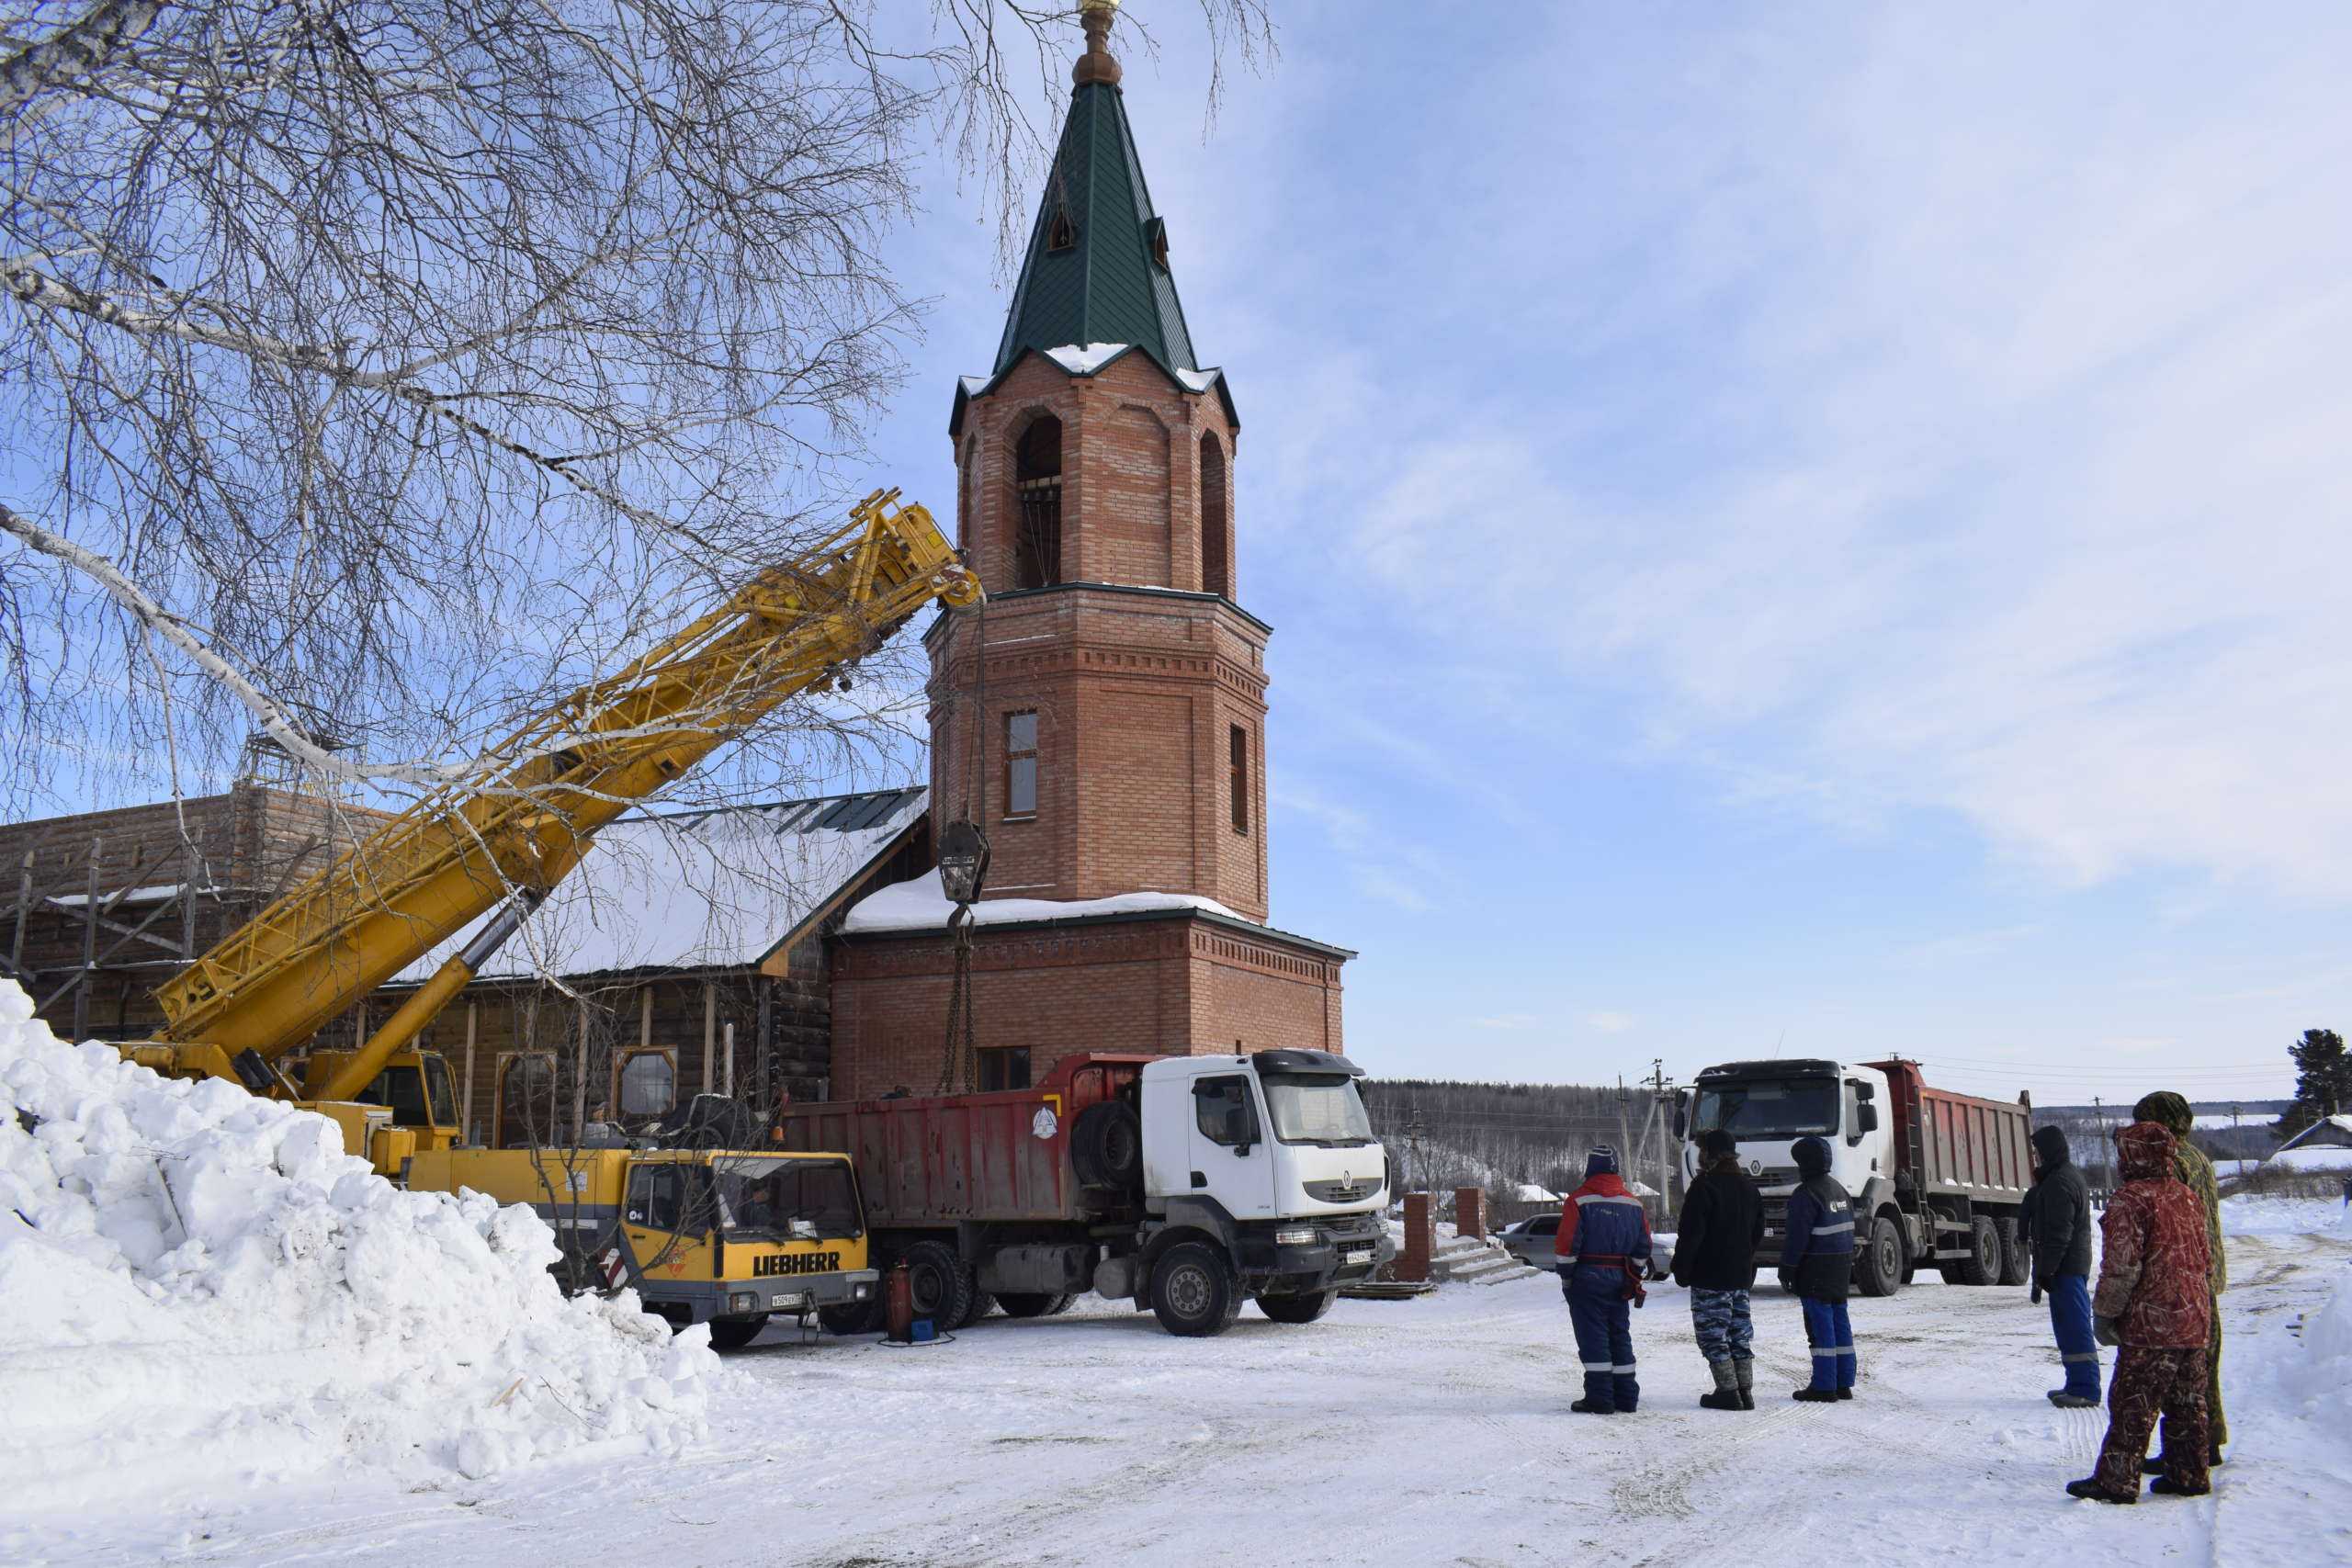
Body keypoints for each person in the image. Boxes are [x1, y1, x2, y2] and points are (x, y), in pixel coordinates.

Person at [2067, 1121, 2213, 1504]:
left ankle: (2116, 1481)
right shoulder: (2186, 1196)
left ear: (2133, 1154)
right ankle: (2189, 1473)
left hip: (2154, 1324)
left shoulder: (2130, 1199)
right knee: (2187, 1402)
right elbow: (2204, 1258)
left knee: (2133, 1402)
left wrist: (2105, 1313)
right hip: (2194, 1319)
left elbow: (2121, 1266)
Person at [2132, 1090, 2227, 1469]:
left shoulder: (2172, 1161)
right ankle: (2209, 1442)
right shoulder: (2199, 1157)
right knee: (2205, 1363)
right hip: (2205, 1275)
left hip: (2183, 1279)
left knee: (2183, 1374)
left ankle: (2190, 1450)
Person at [1672, 1127, 1764, 1411]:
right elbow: (1757, 1233)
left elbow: (1691, 1235)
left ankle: (1727, 1392)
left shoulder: (1704, 1186)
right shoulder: (1750, 1188)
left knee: (1713, 1334)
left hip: (1710, 1275)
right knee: (1739, 1334)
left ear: (1708, 1155)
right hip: (1739, 1276)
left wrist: (1682, 1269)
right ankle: (1744, 1391)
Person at [1558, 1145, 1652, 1415]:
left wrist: (1567, 1279)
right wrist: (1632, 1276)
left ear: (1590, 1168)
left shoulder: (1578, 1200)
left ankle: (1600, 1398)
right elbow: (1643, 1246)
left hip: (1587, 1278)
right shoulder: (1634, 1203)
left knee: (1593, 1336)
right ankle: (1626, 1397)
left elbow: (1567, 1246)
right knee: (1619, 1334)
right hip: (1620, 1280)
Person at [2022, 1123, 2099, 1407]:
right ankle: (2077, 1383)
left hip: (2066, 1267)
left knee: (2075, 1326)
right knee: (2068, 1326)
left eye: (2038, 1150)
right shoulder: (2061, 1177)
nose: (2035, 1156)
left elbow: (2059, 1233)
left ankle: (2085, 1388)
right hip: (2068, 1266)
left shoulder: (2060, 1182)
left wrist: (2047, 1269)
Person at [1780, 1134, 1856, 1403]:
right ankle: (1843, 1382)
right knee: (1839, 1321)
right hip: (1841, 1265)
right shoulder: (1838, 1189)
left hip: (1815, 1267)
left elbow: (1796, 1237)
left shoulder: (1806, 1193)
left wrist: (1787, 1268)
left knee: (1820, 1324)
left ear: (1804, 1163)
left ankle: (1824, 1386)